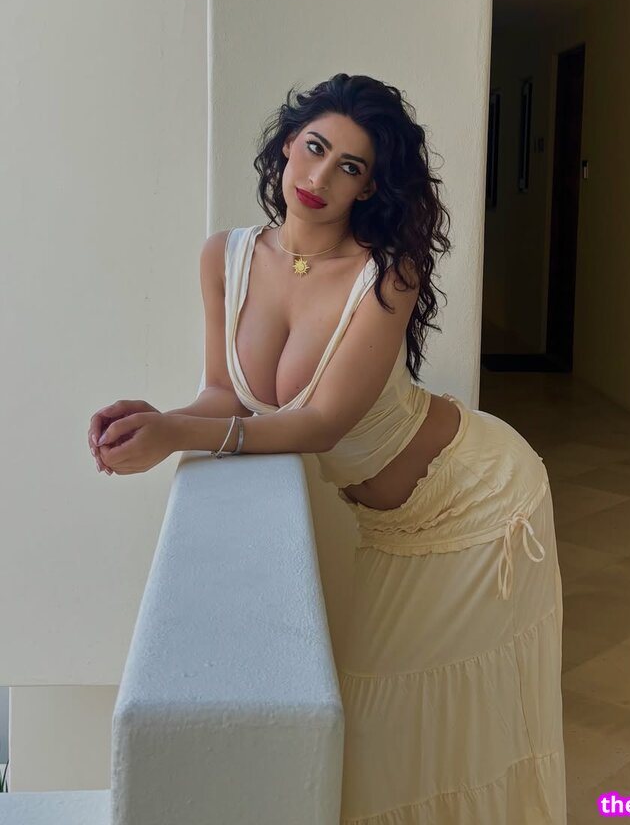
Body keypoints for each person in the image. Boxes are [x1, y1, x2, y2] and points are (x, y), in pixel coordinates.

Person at [88, 73, 566, 824]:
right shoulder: (225, 257)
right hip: (391, 526)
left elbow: (320, 424)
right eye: (314, 148)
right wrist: (159, 419)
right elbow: (226, 394)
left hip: (478, 502)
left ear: (368, 187)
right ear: (287, 146)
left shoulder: (387, 274)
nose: (318, 178)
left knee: (451, 730)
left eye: (349, 166)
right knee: (393, 728)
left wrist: (179, 436)